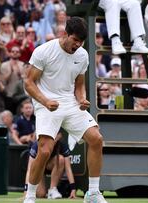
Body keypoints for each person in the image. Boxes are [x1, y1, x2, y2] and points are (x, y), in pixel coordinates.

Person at [23, 17, 107, 203]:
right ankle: (30, 197)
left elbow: (79, 85)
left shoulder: (82, 55)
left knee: (96, 139)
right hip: (46, 103)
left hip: (69, 103)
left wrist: (82, 99)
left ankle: (92, 193)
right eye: (75, 40)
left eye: (81, 42)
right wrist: (45, 101)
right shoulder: (43, 51)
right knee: (44, 151)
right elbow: (28, 83)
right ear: (65, 34)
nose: (78, 45)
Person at [24, 133, 76, 199]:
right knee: (41, 194)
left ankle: (52, 190)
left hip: (52, 165)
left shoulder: (62, 145)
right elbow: (29, 170)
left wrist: (73, 189)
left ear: (59, 135)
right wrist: (26, 190)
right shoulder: (36, 145)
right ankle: (41, 193)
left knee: (61, 159)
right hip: (39, 169)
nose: (54, 136)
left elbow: (68, 168)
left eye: (57, 134)